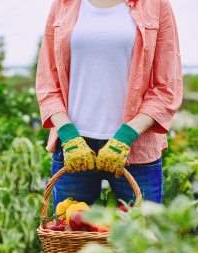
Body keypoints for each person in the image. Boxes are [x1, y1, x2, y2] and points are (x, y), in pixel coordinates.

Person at [35, 0, 183, 207]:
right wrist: (68, 135)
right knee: (71, 234)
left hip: (135, 148)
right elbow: (47, 83)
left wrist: (126, 137)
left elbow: (166, 86)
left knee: (140, 234)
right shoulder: (63, 4)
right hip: (73, 147)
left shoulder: (156, 5)